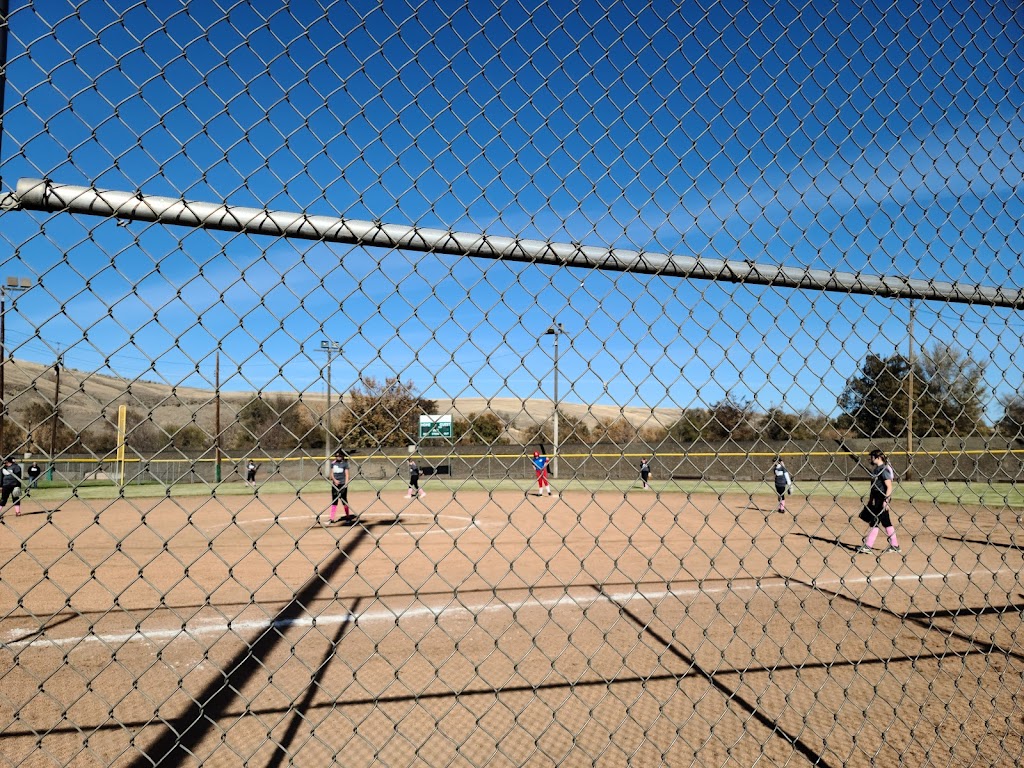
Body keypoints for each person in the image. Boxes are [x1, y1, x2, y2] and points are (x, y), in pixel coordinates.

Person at [856, 449, 901, 555]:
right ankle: (894, 545)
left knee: (879, 521)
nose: (870, 459)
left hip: (882, 498)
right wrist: (871, 499)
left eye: (872, 456)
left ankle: (870, 546)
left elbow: (889, 486)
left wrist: (886, 500)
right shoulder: (876, 469)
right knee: (881, 521)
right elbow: (873, 487)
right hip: (876, 498)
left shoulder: (883, 469)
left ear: (878, 457)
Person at [327, 450, 354, 525]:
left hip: (342, 484)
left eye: (339, 456)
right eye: (336, 456)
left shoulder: (345, 464)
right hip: (335, 485)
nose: (338, 457)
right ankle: (332, 518)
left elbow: (347, 475)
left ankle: (348, 517)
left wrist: (346, 484)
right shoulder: (333, 464)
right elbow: (331, 474)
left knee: (344, 500)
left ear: (342, 456)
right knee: (334, 501)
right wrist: (334, 480)